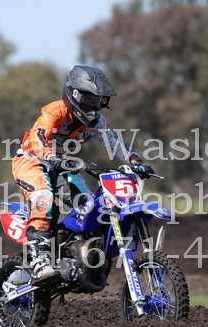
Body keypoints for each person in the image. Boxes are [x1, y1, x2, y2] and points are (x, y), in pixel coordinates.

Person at [12, 65, 154, 283]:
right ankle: (40, 262)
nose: (94, 106)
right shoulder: (55, 112)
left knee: (89, 208)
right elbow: (37, 137)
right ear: (74, 95)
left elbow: (113, 142)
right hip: (31, 161)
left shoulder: (96, 122)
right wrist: (51, 157)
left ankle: (78, 258)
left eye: (98, 101)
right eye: (89, 100)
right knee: (43, 198)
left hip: (62, 165)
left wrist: (135, 160)